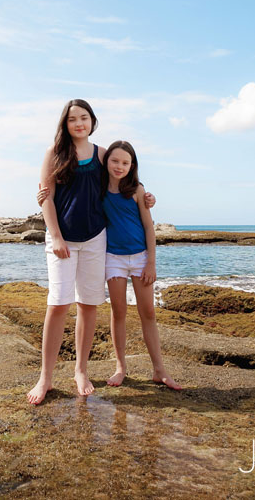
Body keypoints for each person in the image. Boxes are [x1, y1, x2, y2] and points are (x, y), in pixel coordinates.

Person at [27, 100, 154, 405]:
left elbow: (123, 179)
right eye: (73, 119)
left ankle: (80, 371)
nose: (79, 123)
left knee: (88, 304)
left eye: (84, 118)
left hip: (96, 239)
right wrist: (56, 237)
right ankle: (45, 378)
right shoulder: (54, 153)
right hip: (63, 241)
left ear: (92, 121)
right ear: (65, 123)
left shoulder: (101, 154)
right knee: (58, 304)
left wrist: (146, 196)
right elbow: (46, 198)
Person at [101, 140, 181, 391]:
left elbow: (148, 227)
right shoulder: (98, 188)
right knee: (119, 311)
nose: (119, 166)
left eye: (125, 162)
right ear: (106, 161)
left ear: (132, 165)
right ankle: (120, 367)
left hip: (140, 258)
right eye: (115, 160)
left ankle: (159, 370)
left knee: (148, 312)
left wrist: (151, 263)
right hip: (113, 258)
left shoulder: (137, 190)